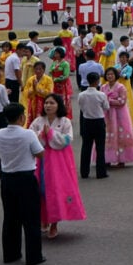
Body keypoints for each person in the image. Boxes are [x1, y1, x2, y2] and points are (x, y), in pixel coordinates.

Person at [0, 103, 45, 265]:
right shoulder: (28, 134)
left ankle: (11, 253)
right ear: (21, 117)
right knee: (31, 218)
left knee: (10, 217)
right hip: (25, 178)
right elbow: (40, 153)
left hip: (7, 178)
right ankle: (34, 256)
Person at [29, 94, 85, 239]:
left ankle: (54, 223)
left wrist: (51, 134)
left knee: (56, 189)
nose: (48, 105)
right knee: (41, 189)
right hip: (41, 159)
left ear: (58, 105)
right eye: (46, 103)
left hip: (58, 162)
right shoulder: (38, 121)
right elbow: (30, 135)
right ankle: (44, 218)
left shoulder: (65, 121)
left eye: (52, 103)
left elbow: (67, 139)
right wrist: (42, 134)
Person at [76, 72, 109, 180]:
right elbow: (106, 107)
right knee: (100, 147)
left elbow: (81, 106)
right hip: (98, 121)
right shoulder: (101, 94)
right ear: (97, 81)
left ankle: (84, 172)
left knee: (86, 146)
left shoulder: (81, 94)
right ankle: (101, 172)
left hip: (87, 121)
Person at [102, 67, 133, 168]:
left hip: (120, 114)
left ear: (116, 76)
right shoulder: (103, 87)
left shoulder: (121, 87)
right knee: (108, 135)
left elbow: (122, 101)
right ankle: (107, 158)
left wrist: (109, 101)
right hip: (107, 114)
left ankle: (122, 159)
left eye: (112, 74)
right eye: (108, 74)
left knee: (121, 134)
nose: (110, 76)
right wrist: (110, 101)